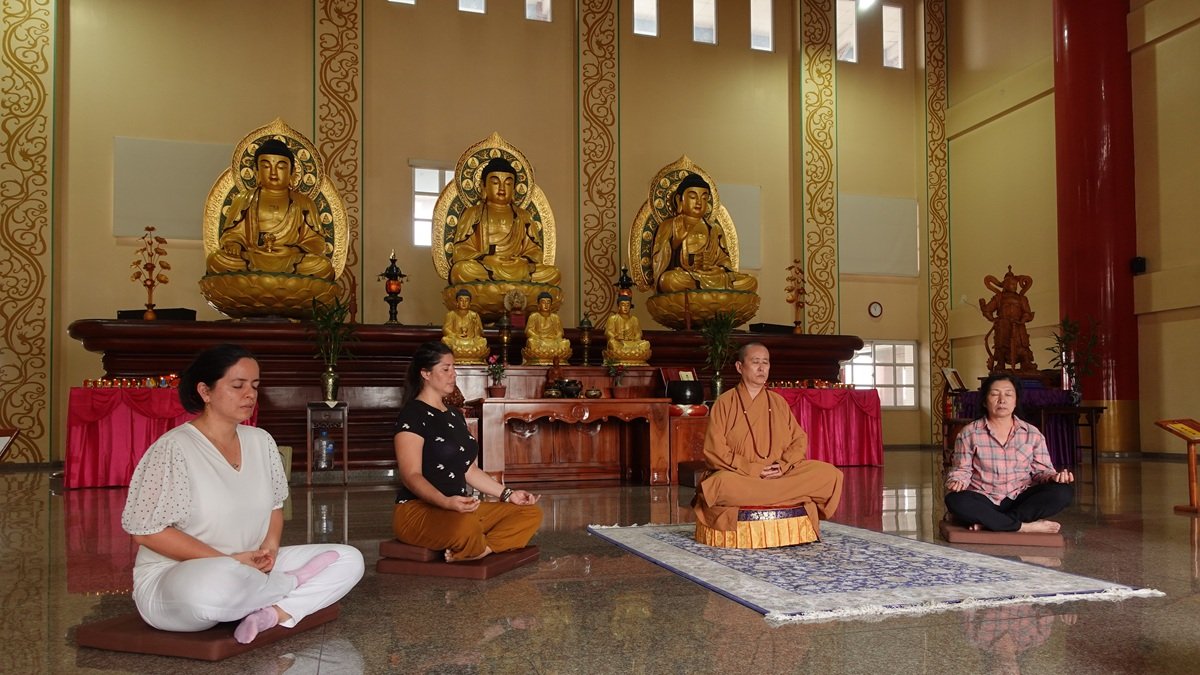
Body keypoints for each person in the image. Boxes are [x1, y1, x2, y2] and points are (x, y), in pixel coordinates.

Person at [121, 344, 363, 643]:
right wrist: (231, 561)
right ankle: (287, 587)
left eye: (255, 386)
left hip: (253, 566)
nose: (250, 394)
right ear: (205, 391)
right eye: (238, 386)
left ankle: (272, 613)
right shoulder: (174, 448)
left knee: (348, 559)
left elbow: (275, 506)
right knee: (215, 588)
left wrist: (270, 551)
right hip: (182, 576)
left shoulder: (261, 441)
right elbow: (147, 533)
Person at [392, 342, 542, 562]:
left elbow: (469, 470)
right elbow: (410, 475)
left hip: (458, 508)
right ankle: (477, 545)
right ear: (425, 373)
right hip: (417, 510)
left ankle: (482, 549)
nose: (453, 374)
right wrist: (445, 502)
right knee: (466, 525)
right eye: (446, 369)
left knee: (530, 513)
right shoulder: (413, 414)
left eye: (454, 368)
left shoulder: (455, 415)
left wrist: (508, 494)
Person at [693, 343, 844, 537]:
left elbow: (799, 440)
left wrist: (783, 465)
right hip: (742, 476)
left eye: (765, 362)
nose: (761, 368)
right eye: (755, 362)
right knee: (720, 484)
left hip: (780, 473)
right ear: (740, 367)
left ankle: (770, 494)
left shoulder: (778, 402)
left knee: (830, 474)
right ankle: (792, 495)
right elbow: (715, 451)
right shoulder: (725, 402)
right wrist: (753, 469)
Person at [945, 373, 1074, 533]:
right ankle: (1023, 526)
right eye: (994, 394)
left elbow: (1041, 472)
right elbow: (962, 470)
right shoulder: (969, 433)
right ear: (984, 401)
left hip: (1019, 498)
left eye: (1008, 394)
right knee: (955, 500)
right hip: (984, 498)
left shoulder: (1032, 433)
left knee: (1063, 492)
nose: (1002, 400)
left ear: (1016, 400)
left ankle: (991, 522)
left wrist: (1054, 477)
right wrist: (957, 481)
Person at [206, 138, 333, 278]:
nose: (273, 172)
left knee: (322, 266)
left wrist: (295, 250)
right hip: (252, 256)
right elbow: (233, 233)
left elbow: (316, 241)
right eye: (266, 166)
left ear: (292, 172)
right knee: (217, 260)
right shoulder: (244, 199)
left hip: (291, 259)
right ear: (256, 171)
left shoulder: (304, 203)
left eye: (281, 167)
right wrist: (235, 244)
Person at [448, 157, 561, 286]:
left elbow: (535, 251)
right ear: (483, 186)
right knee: (461, 271)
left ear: (514, 189)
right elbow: (459, 251)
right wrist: (486, 258)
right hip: (485, 267)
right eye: (495, 183)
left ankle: (502, 286)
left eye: (508, 184)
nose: (502, 188)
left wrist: (523, 260)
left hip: (517, 267)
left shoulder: (523, 216)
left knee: (553, 273)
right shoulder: (473, 213)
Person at [651, 173, 757, 294]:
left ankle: (707, 290)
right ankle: (708, 291)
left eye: (704, 198)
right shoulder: (670, 225)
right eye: (692, 197)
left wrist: (720, 269)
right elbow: (658, 262)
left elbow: (725, 260)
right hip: (685, 276)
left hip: (712, 277)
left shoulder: (714, 229)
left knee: (751, 282)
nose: (699, 202)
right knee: (668, 280)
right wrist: (675, 243)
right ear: (679, 199)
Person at [978, 266, 1037, 372]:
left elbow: (1028, 313)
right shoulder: (999, 297)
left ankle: (1026, 363)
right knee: (1001, 347)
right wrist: (992, 318)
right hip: (1003, 327)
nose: (1014, 287)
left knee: (1022, 347)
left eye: (1015, 285)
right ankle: (1000, 363)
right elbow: (987, 310)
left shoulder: (1021, 298)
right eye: (1011, 284)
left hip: (1018, 326)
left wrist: (1023, 319)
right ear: (1005, 285)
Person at [522, 292, 571, 365]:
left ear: (551, 305)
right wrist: (537, 336)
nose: (546, 305)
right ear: (539, 305)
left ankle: (555, 357)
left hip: (553, 341)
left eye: (548, 303)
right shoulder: (534, 316)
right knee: (531, 342)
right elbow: (528, 331)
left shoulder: (555, 317)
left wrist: (556, 337)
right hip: (539, 341)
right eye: (543, 302)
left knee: (565, 343)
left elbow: (560, 332)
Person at [602, 291, 651, 365]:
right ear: (618, 306)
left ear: (630, 306)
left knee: (646, 344)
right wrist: (614, 336)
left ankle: (630, 354)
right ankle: (626, 355)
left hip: (632, 343)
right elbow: (608, 332)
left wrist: (636, 339)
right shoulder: (613, 319)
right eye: (623, 305)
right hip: (619, 343)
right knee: (612, 344)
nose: (625, 307)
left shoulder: (634, 319)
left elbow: (638, 333)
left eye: (628, 305)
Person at [441, 288, 489, 363]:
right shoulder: (451, 315)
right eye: (461, 300)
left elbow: (480, 333)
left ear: (470, 303)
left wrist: (476, 326)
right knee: (445, 340)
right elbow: (445, 329)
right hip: (456, 342)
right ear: (457, 302)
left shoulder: (474, 315)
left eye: (466, 300)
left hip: (471, 342)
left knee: (482, 342)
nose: (464, 303)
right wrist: (456, 335)